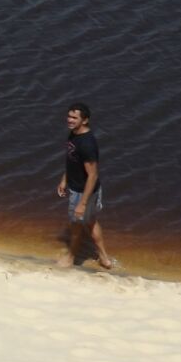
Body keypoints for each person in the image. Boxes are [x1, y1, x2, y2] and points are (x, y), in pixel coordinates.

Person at [57, 101, 114, 269]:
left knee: (76, 228)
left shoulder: (87, 144)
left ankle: (70, 258)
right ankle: (104, 258)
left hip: (83, 193)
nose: (69, 120)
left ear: (85, 120)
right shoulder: (74, 134)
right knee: (91, 223)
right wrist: (64, 179)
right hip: (78, 188)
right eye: (69, 116)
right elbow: (73, 160)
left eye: (74, 117)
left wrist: (82, 203)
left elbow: (93, 175)